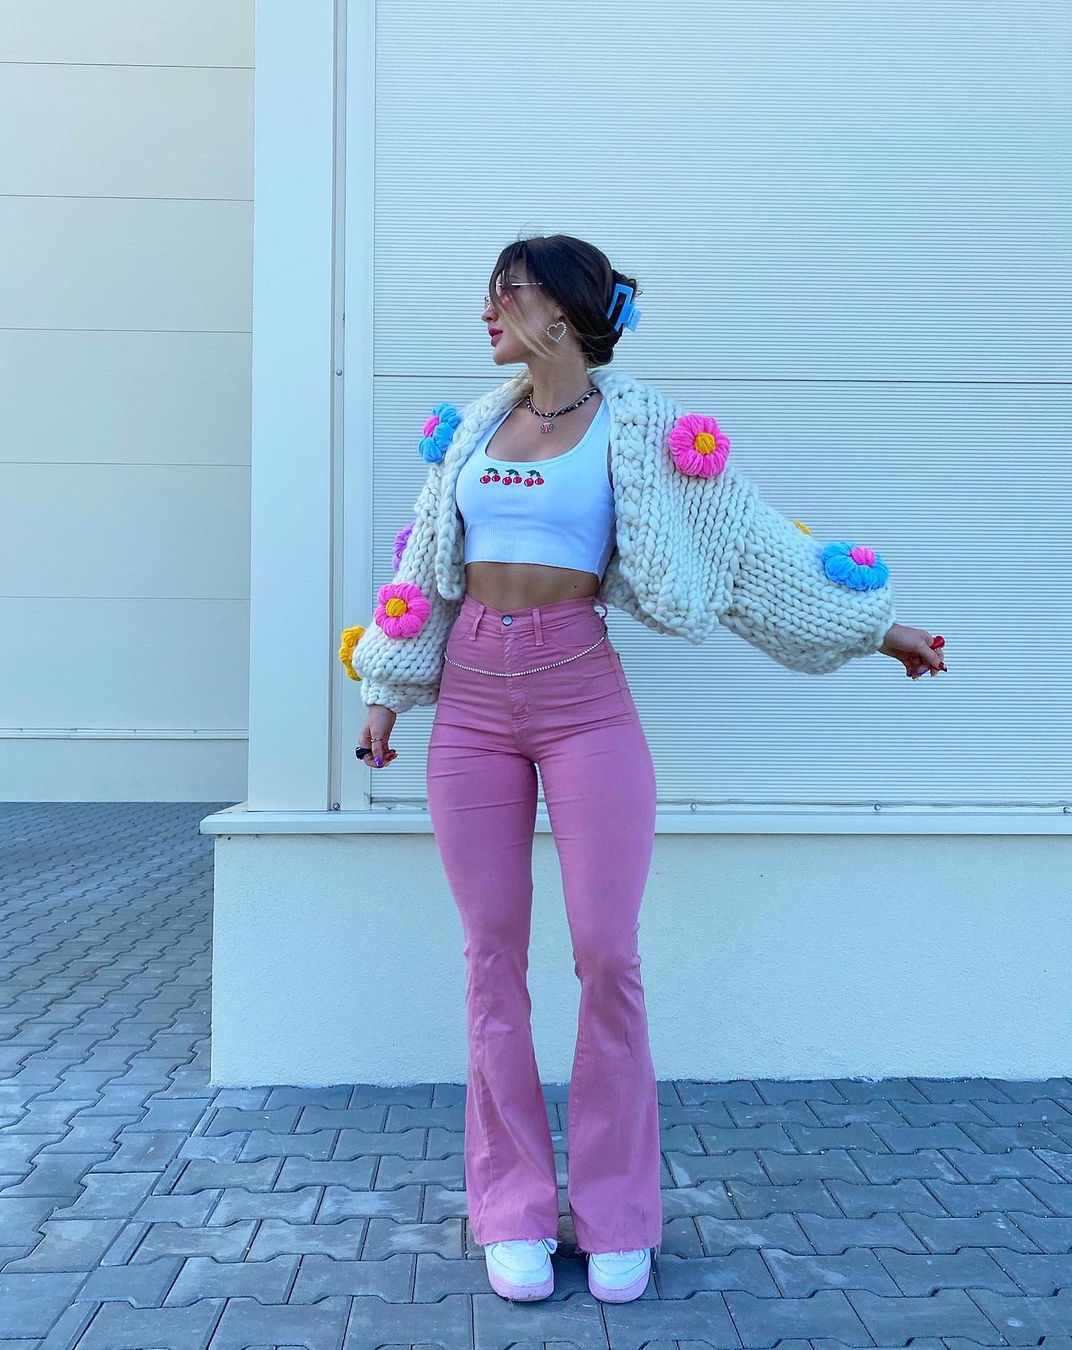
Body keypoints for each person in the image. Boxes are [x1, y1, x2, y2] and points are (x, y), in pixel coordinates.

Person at [346, 233, 947, 1304]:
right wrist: (385, 695)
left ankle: (617, 1211)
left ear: (561, 313)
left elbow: (751, 544)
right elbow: (423, 572)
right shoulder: (474, 427)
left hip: (582, 697)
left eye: (503, 296)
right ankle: (513, 1207)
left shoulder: (644, 427)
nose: (486, 314)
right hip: (473, 706)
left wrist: (877, 629)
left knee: (605, 955)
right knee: (492, 957)